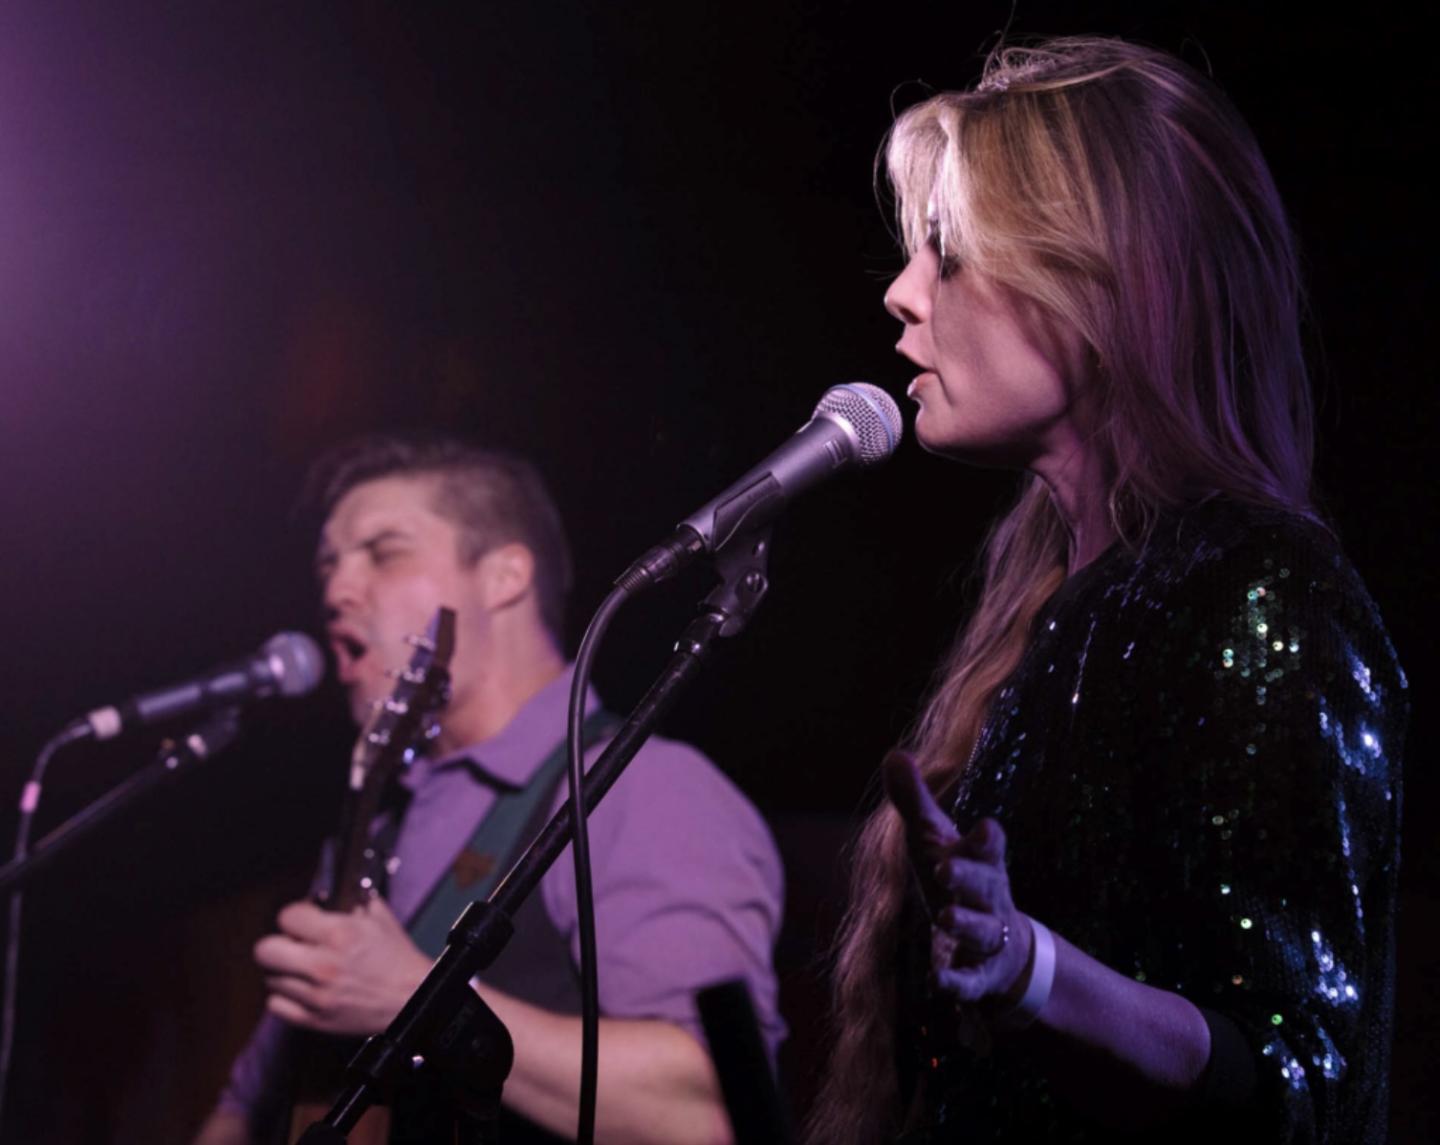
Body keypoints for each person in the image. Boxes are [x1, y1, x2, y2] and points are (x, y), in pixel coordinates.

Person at [808, 37, 1405, 1145]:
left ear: (1100, 284)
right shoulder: (1048, 600)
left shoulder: (1260, 593)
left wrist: (1035, 971)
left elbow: (1295, 1073)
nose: (899, 294)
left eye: (947, 252)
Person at [193, 437, 784, 1145]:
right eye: (329, 563)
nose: (336, 590)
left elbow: (710, 1112)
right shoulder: (374, 832)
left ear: (504, 575)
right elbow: (245, 1104)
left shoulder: (645, 788)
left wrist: (410, 997)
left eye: (383, 552)